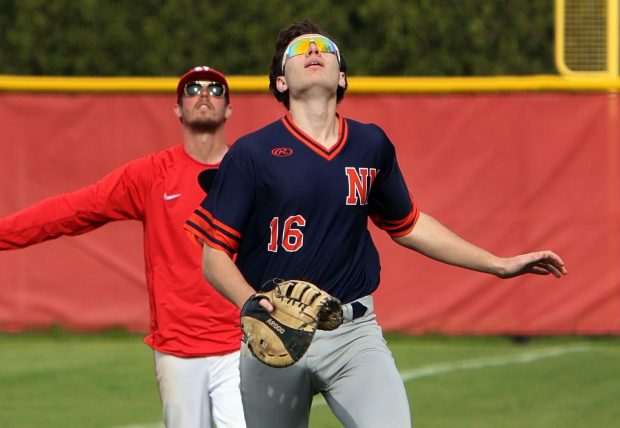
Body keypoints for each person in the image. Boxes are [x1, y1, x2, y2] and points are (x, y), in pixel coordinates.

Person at [184, 20, 568, 428]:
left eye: (324, 48)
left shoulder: (371, 144)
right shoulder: (252, 153)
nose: (313, 52)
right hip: (273, 332)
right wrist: (251, 303)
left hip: (353, 333)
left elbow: (410, 224)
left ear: (342, 75)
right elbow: (214, 256)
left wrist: (498, 263)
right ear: (281, 81)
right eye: (300, 50)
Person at [0, 66, 246, 428]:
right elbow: (72, 209)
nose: (204, 94)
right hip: (178, 348)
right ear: (178, 109)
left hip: (241, 345)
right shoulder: (152, 174)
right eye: (193, 89)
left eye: (215, 89)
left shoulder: (251, 170)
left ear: (228, 109)